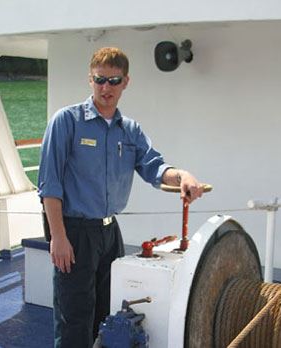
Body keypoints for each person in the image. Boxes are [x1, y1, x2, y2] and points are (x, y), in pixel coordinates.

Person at [37, 47, 204, 348]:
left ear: (126, 82)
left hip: (109, 232)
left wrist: (183, 177)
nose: (106, 88)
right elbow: (50, 186)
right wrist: (58, 238)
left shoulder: (130, 131)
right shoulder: (66, 121)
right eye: (100, 80)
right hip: (74, 232)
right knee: (74, 318)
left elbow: (155, 167)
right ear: (90, 79)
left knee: (106, 314)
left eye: (114, 81)